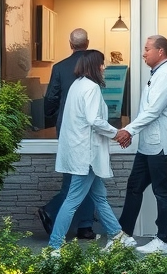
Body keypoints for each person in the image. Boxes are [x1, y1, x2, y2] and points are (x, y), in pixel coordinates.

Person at [48, 50, 134, 252]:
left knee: (99, 196)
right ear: (94, 66)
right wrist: (118, 133)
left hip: (80, 153)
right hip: (86, 155)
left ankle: (117, 235)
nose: (103, 68)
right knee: (72, 200)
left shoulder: (77, 86)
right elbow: (94, 121)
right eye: (101, 64)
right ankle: (54, 245)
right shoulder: (91, 88)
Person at [115, 35, 167, 254]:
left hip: (161, 146)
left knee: (161, 191)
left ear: (160, 51)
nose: (143, 53)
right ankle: (124, 235)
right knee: (134, 187)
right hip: (149, 145)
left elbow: (153, 111)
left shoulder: (166, 76)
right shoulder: (157, 74)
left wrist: (129, 130)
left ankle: (164, 240)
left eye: (147, 49)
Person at [37, 28, 97, 240]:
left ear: (70, 44)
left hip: (66, 128)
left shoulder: (60, 67)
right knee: (87, 173)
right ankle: (82, 224)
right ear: (87, 43)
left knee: (75, 175)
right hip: (89, 129)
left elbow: (51, 98)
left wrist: (52, 119)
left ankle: (76, 221)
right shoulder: (93, 67)